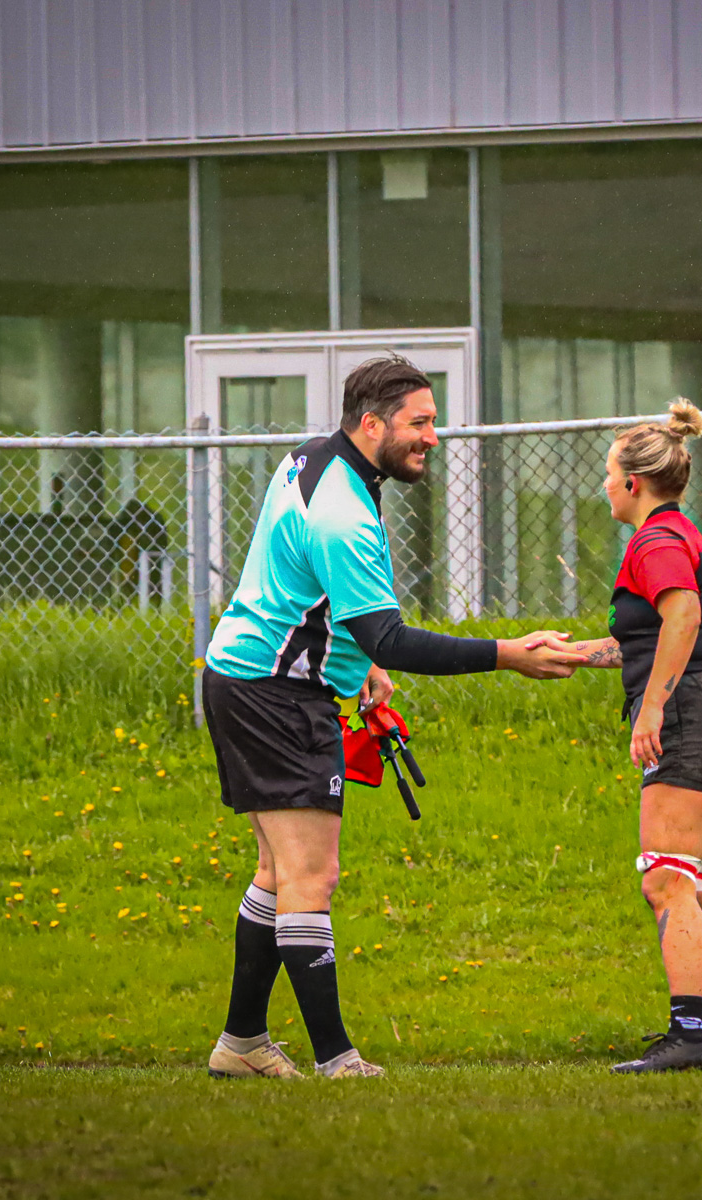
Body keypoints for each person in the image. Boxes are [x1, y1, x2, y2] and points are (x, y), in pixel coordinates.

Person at [202, 354, 584, 1081]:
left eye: (432, 422)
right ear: (371, 424)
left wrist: (355, 664)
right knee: (312, 876)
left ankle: (242, 1042)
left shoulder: (317, 457)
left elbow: (307, 592)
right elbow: (392, 637)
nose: (433, 438)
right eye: (420, 423)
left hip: (246, 677)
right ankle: (338, 1060)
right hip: (275, 694)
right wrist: (507, 654)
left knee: (279, 872)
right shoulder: (346, 512)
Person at [562, 400, 702, 1073]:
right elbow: (661, 636)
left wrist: (652, 710)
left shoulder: (652, 543)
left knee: (667, 881)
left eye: (606, 474)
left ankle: (687, 1037)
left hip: (691, 716)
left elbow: (679, 615)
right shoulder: (685, 536)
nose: (602, 485)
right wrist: (565, 656)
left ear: (632, 484)